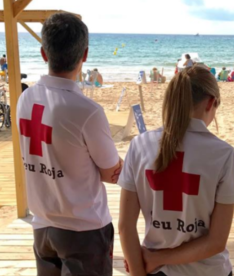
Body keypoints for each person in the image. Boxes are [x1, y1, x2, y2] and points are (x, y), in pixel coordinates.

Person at [16, 13, 122, 276]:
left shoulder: (25, 99)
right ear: (84, 55)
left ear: (43, 53)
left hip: (42, 226)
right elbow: (111, 172)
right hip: (84, 230)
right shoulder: (87, 111)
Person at [118, 65, 234, 276]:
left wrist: (143, 267)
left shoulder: (139, 145)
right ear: (211, 102)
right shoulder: (222, 154)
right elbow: (216, 242)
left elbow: (125, 227)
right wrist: (158, 259)